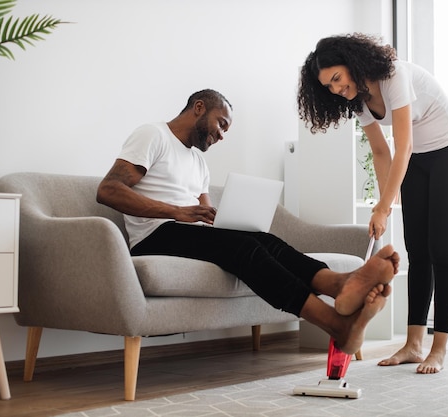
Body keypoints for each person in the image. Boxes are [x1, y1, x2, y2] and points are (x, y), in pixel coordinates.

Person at [96, 88, 400, 355]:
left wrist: (228, 219)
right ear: (199, 107)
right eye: (221, 124)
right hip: (154, 238)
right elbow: (108, 190)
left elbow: (206, 215)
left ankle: (337, 283)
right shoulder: (153, 135)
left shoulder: (198, 161)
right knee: (244, 249)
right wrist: (176, 212)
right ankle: (334, 323)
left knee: (263, 242)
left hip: (188, 234)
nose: (222, 135)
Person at [297, 33, 448, 373]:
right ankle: (413, 345)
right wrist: (384, 204)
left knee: (442, 250)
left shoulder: (393, 75)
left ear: (352, 64)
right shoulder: (358, 99)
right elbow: (381, 152)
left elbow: (403, 146)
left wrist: (383, 207)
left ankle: (438, 348)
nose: (336, 89)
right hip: (418, 163)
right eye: (329, 87)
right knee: (417, 252)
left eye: (337, 78)